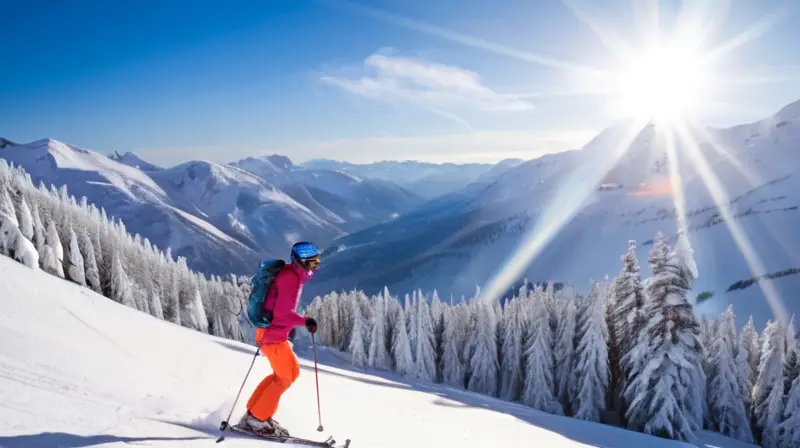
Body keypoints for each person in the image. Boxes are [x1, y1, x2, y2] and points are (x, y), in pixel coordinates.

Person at [238, 241, 320, 436]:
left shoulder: (292, 275)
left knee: (289, 373)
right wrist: (305, 321)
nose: (314, 268)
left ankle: (255, 413)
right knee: (285, 377)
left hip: (275, 334)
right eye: (311, 263)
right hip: (271, 336)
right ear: (299, 262)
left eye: (317, 262)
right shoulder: (290, 279)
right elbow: (283, 314)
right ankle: (256, 419)